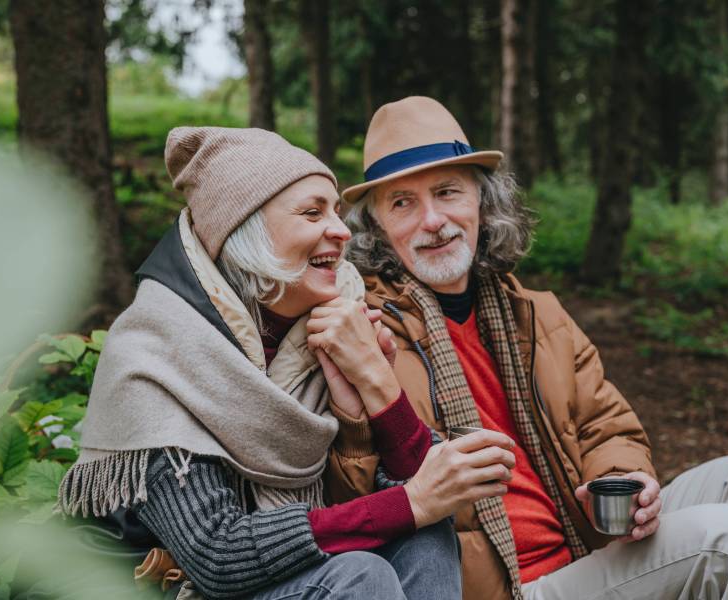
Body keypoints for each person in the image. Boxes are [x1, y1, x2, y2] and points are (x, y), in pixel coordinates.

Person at [57, 126, 515, 599]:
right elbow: (217, 554)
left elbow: (421, 487)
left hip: (266, 575)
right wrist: (412, 500)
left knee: (426, 535)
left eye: (336, 211)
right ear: (245, 232)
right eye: (313, 212)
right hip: (155, 587)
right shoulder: (159, 355)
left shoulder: (325, 325)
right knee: (362, 573)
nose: (341, 230)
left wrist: (374, 385)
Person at [342, 96, 728, 600]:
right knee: (721, 541)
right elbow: (356, 494)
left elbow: (605, 423)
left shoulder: (534, 311)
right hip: (510, 586)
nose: (433, 220)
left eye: (448, 193)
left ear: (482, 206)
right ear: (376, 228)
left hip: (585, 541)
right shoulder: (367, 332)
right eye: (403, 203)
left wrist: (621, 480)